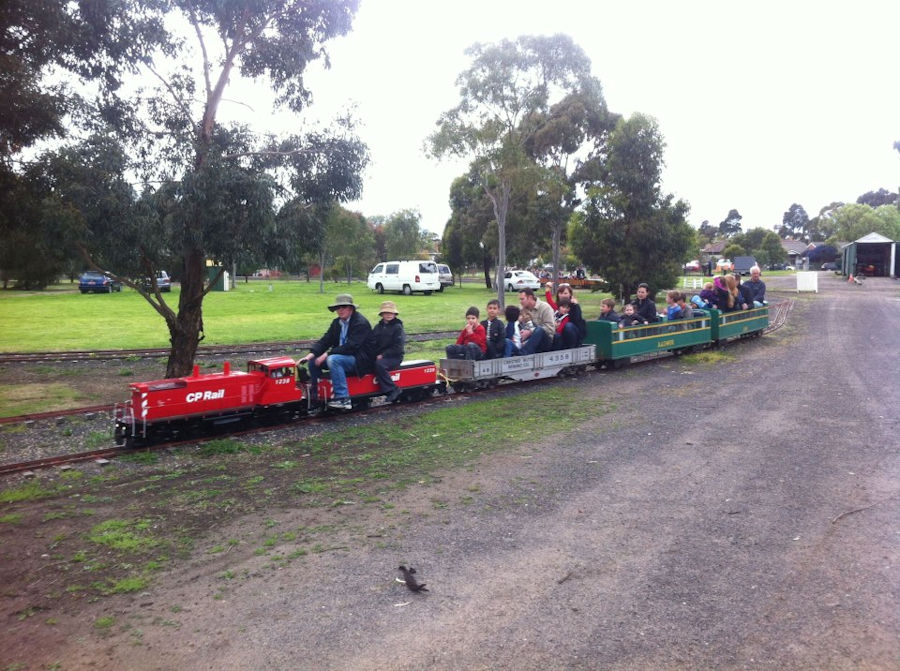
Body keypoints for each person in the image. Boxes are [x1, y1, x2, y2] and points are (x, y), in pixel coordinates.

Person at [299, 293, 373, 411]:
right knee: (313, 361)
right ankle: (316, 396)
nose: (340, 310)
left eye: (343, 307)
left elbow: (351, 346)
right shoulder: (337, 323)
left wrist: (327, 354)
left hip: (360, 359)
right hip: (344, 356)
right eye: (338, 308)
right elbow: (325, 340)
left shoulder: (360, 323)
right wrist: (309, 356)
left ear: (351, 308)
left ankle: (343, 399)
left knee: (333, 360)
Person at [371, 300, 405, 404]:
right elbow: (372, 342)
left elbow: (398, 347)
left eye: (391, 313)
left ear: (395, 314)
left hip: (394, 357)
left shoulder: (398, 327)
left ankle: (392, 389)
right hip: (380, 355)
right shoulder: (378, 327)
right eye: (386, 313)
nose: (389, 315)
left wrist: (383, 355)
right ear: (382, 314)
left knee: (379, 364)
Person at [517, 288, 554, 354]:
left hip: (544, 341)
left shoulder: (545, 307)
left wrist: (530, 332)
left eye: (522, 299)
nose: (520, 302)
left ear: (530, 297)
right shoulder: (522, 309)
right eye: (520, 299)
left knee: (539, 330)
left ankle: (522, 354)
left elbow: (550, 329)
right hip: (527, 340)